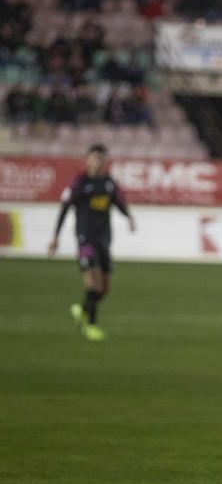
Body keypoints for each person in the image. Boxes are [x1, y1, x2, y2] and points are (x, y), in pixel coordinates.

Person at [47, 144, 137, 341]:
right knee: (94, 283)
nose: (98, 163)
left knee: (105, 289)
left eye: (102, 159)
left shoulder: (109, 183)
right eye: (95, 158)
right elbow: (64, 208)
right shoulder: (79, 183)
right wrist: (55, 236)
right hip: (85, 239)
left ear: (106, 161)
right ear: (88, 160)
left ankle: (82, 308)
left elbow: (119, 202)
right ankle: (91, 325)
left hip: (104, 239)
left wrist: (129, 216)